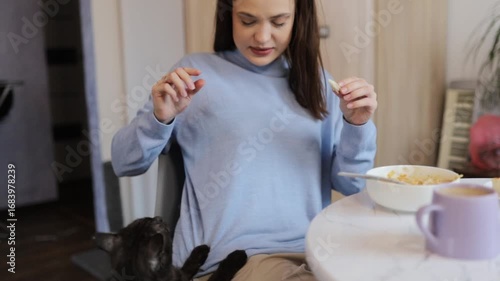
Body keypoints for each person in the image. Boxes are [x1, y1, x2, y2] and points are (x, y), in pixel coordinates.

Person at [111, 0, 377, 280]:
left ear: (298, 19)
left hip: (314, 253)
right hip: (231, 261)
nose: (262, 37)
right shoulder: (196, 75)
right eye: (248, 21)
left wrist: (356, 125)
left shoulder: (320, 85)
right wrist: (158, 119)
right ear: (229, 17)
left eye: (278, 22)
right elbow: (123, 162)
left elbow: (353, 185)